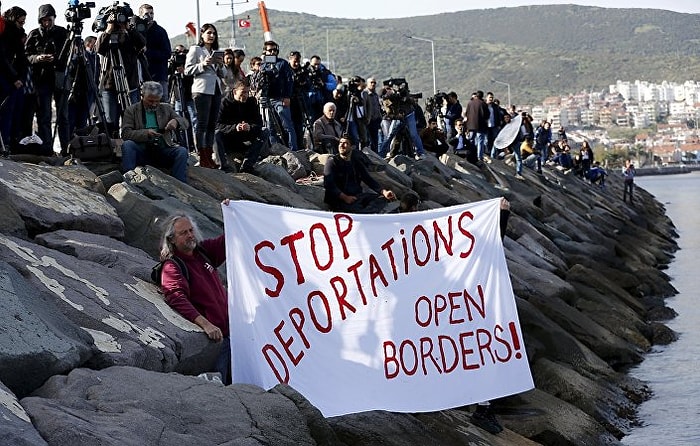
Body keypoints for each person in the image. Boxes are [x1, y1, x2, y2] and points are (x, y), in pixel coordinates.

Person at [159, 213, 231, 384]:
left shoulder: (203, 252)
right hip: (215, 342)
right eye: (183, 233)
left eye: (191, 230)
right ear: (172, 239)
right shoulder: (173, 266)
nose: (190, 235)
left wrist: (233, 211)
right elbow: (175, 297)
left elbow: (230, 239)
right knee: (223, 391)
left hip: (232, 335)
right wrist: (206, 324)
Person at [120, 81, 189, 182]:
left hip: (162, 150)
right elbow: (125, 134)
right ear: (142, 96)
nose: (154, 104)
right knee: (127, 145)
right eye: (150, 101)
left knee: (182, 152)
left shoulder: (166, 108)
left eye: (157, 101)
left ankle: (179, 183)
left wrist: (176, 121)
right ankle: (129, 179)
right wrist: (145, 133)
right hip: (142, 152)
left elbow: (185, 123)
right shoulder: (131, 110)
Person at [95, 8, 146, 138]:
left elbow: (142, 44)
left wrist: (128, 28)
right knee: (110, 121)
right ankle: (112, 146)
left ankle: (129, 145)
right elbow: (99, 49)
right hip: (109, 84)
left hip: (130, 84)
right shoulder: (106, 35)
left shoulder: (130, 35)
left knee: (130, 120)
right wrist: (109, 29)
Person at [25, 4, 69, 154]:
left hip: (60, 77)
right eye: (44, 20)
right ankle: (47, 148)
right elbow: (26, 56)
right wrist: (38, 58)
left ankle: (66, 148)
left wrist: (55, 59)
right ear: (40, 20)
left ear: (53, 18)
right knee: (44, 115)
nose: (47, 23)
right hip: (42, 79)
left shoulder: (63, 33)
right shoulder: (34, 34)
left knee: (63, 116)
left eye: (49, 20)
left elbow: (69, 55)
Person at [185, 23, 226, 168]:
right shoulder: (195, 50)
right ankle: (202, 156)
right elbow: (187, 70)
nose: (212, 36)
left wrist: (221, 65)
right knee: (202, 124)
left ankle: (209, 156)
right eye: (209, 33)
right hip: (201, 89)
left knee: (211, 124)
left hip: (215, 90)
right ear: (202, 34)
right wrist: (203, 64)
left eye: (214, 33)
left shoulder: (217, 51)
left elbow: (225, 75)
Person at [323, 134, 396, 213]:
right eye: (340, 143)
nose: (341, 145)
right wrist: (345, 198)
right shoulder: (332, 162)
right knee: (359, 210)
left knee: (383, 200)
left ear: (352, 147)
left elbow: (368, 180)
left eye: (345, 143)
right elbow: (329, 185)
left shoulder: (355, 162)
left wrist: (384, 192)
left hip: (357, 197)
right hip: (341, 200)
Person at [214, 80, 264, 174]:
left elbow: (259, 123)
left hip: (245, 137)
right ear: (235, 91)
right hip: (229, 137)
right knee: (216, 134)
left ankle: (248, 165)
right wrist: (234, 127)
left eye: (247, 92)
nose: (245, 95)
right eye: (243, 92)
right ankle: (223, 166)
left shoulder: (251, 102)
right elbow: (217, 124)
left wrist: (250, 127)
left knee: (265, 132)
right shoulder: (224, 103)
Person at [258, 40, 297, 151]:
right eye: (270, 50)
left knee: (287, 125)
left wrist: (287, 96)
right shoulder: (263, 64)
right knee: (270, 126)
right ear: (265, 51)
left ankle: (293, 149)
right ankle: (275, 149)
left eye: (275, 50)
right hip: (267, 98)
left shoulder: (283, 63)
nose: (273, 52)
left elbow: (289, 81)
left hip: (280, 98)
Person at [0, 6, 28, 153]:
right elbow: (3, 58)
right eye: (21, 22)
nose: (22, 24)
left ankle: (10, 142)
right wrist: (14, 78)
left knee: (13, 112)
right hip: (7, 78)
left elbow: (21, 58)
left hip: (14, 78)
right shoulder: (6, 33)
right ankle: (4, 142)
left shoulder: (18, 34)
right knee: (6, 111)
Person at [139, 4, 171, 99]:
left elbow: (167, 53)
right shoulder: (137, 32)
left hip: (158, 76)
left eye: (151, 13)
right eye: (146, 13)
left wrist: (147, 52)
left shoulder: (160, 31)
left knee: (162, 105)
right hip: (141, 76)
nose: (149, 16)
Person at [464, 90, 488, 163]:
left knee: (471, 141)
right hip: (481, 126)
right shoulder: (483, 104)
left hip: (471, 125)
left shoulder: (470, 103)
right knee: (480, 141)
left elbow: (466, 113)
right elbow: (487, 115)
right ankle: (479, 157)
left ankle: (471, 155)